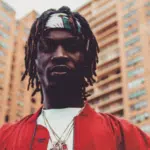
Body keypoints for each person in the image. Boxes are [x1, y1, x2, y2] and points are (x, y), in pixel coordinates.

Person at [0, 6, 150, 150]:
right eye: (48, 46)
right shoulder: (5, 137)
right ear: (34, 60)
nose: (59, 55)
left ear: (87, 58)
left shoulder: (125, 135)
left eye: (71, 46)